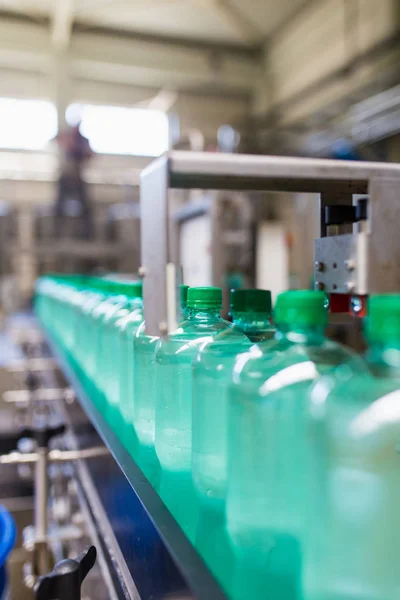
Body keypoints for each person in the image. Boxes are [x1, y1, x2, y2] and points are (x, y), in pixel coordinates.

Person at [55, 122, 93, 239]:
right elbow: (56, 141)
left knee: (85, 208)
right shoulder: (67, 136)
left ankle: (86, 235)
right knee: (59, 206)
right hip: (66, 176)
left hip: (78, 177)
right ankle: (57, 233)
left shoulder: (83, 141)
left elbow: (91, 155)